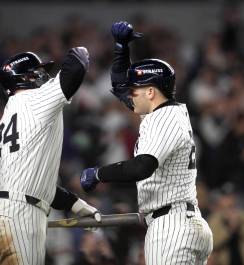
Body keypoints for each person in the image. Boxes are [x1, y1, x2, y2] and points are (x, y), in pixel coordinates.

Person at [80, 21, 213, 264]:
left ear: (150, 92)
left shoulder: (163, 118)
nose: (129, 94)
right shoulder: (166, 112)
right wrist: (121, 49)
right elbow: (119, 84)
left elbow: (142, 167)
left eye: (135, 90)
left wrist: (100, 174)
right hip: (182, 221)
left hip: (172, 227)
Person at [0, 48, 101, 265]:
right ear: (25, 78)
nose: (44, 76)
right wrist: (83, 46)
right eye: (38, 71)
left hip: (5, 212)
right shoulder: (33, 99)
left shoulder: (12, 112)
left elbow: (33, 183)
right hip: (20, 216)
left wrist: (74, 204)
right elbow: (76, 65)